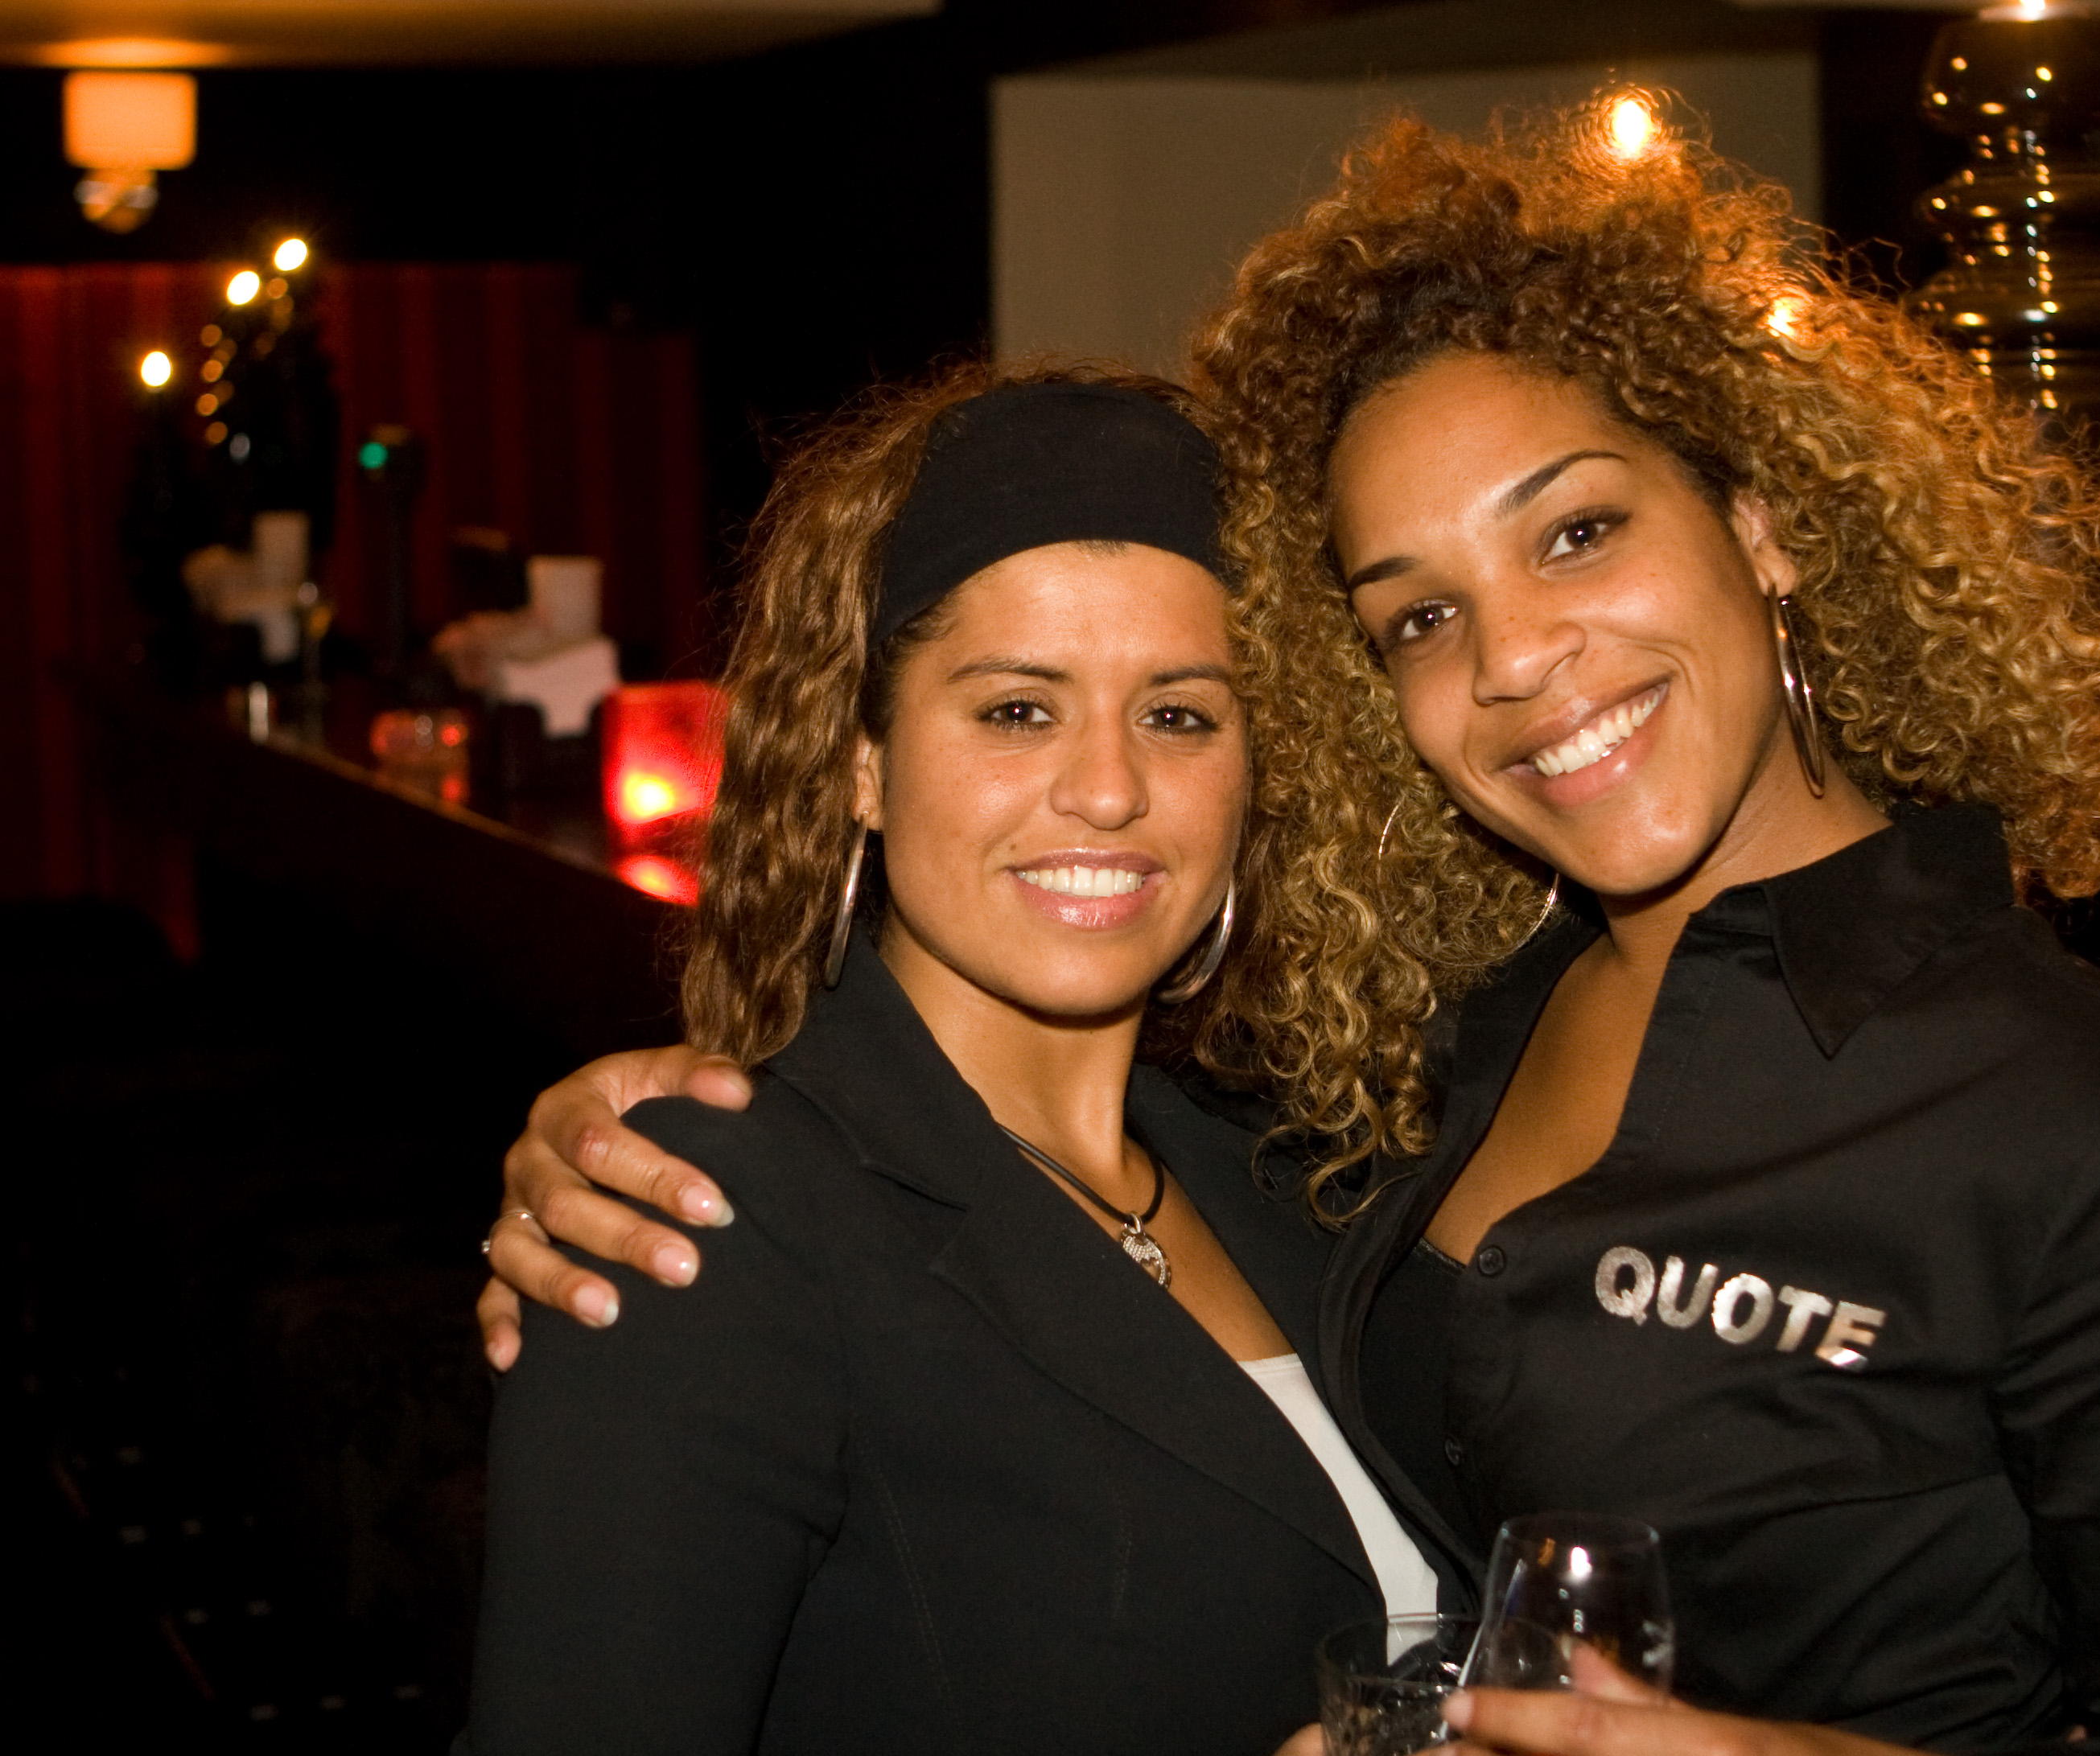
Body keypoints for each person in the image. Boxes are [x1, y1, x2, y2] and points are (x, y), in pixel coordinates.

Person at [480, 112, 2100, 1756]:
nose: (1518, 659)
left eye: (1576, 533)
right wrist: (640, 1145)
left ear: (1766, 521)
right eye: (1419, 618)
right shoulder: (1414, 1073)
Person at [463, 367, 1450, 1756]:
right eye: (1017, 710)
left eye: (1179, 714)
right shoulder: (696, 1220)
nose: (1107, 789)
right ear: (863, 761)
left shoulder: (1301, 1174)